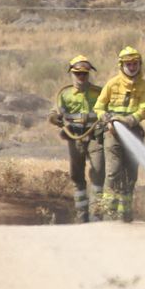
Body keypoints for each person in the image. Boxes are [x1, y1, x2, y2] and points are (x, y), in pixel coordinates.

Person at [94, 45, 145, 223]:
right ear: (122, 65)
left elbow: (143, 109)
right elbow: (99, 107)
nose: (132, 67)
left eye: (135, 64)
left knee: (131, 174)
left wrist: (131, 120)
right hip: (112, 133)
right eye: (128, 64)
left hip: (133, 133)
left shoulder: (143, 85)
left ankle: (125, 214)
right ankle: (108, 214)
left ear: (140, 65)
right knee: (113, 172)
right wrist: (107, 120)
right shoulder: (112, 84)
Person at [48, 55, 105, 222]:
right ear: (72, 74)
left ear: (89, 74)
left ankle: (97, 215)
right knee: (76, 175)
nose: (81, 77)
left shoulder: (99, 92)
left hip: (95, 136)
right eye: (77, 73)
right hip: (75, 137)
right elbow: (54, 112)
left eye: (84, 74)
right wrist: (54, 118)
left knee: (99, 171)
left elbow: (108, 109)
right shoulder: (65, 95)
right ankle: (82, 217)